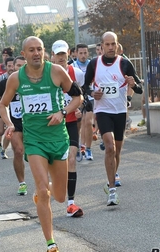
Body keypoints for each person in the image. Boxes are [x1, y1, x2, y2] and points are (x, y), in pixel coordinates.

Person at [0, 36, 83, 252]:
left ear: (44, 52)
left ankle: (43, 193)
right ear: (23, 54)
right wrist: (9, 123)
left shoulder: (56, 72)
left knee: (60, 195)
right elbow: (2, 104)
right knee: (44, 190)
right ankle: (51, 246)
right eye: (31, 50)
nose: (36, 53)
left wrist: (62, 113)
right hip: (34, 140)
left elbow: (78, 96)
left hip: (58, 138)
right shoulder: (16, 79)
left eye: (40, 49)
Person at [85, 32, 143, 206]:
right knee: (109, 146)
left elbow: (139, 88)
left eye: (113, 44)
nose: (111, 47)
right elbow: (84, 87)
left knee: (116, 151)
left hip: (120, 112)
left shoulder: (125, 63)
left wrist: (133, 85)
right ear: (101, 46)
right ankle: (112, 190)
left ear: (117, 45)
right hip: (103, 111)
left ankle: (110, 180)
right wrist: (91, 93)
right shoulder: (94, 64)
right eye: (107, 44)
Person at [51, 40, 84, 217]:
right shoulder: (47, 74)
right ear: (52, 56)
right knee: (57, 166)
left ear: (68, 55)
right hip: (53, 125)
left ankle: (71, 204)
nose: (61, 58)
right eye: (58, 55)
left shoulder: (76, 73)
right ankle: (45, 189)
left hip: (70, 122)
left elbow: (81, 95)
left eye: (64, 55)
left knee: (71, 158)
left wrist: (78, 108)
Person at [0, 56, 28, 195]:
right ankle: (22, 183)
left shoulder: (33, 82)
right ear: (13, 67)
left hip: (32, 122)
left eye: (23, 65)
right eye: (18, 65)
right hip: (15, 123)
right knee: (19, 151)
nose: (21, 68)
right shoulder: (6, 83)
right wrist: (6, 120)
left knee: (34, 153)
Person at [72, 43, 93, 161]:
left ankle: (88, 149)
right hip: (77, 98)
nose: (83, 55)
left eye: (85, 53)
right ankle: (79, 146)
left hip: (90, 97)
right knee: (78, 124)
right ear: (76, 53)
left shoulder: (92, 64)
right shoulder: (72, 66)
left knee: (89, 122)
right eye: (80, 53)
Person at [0, 57, 14, 158]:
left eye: (13, 66)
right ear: (6, 67)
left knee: (10, 130)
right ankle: (0, 144)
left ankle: (3, 149)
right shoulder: (2, 80)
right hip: (3, 107)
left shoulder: (22, 80)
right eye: (9, 66)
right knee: (0, 131)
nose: (11, 68)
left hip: (15, 110)